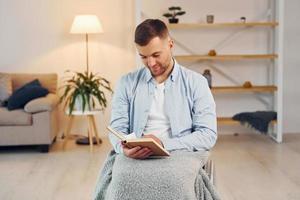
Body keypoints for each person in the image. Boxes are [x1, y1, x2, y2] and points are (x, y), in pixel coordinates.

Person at [109, 19, 217, 159]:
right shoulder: (126, 83)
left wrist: (163, 144)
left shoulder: (196, 83)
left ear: (170, 44)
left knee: (175, 180)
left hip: (180, 154)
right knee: (122, 178)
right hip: (136, 157)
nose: (151, 63)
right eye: (144, 57)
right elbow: (117, 129)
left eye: (156, 55)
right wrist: (123, 149)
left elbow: (207, 135)